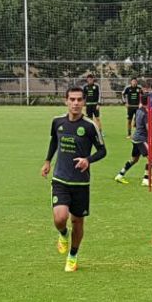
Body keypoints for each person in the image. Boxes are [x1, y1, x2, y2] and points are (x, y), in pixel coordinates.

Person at [41, 87, 107, 272]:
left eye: (79, 99)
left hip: (81, 182)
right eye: (72, 99)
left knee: (77, 221)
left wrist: (88, 160)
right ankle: (63, 234)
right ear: (66, 101)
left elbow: (103, 151)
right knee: (60, 218)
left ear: (84, 102)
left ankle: (73, 255)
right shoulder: (57, 122)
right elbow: (55, 141)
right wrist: (47, 161)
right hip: (60, 179)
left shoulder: (89, 126)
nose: (76, 103)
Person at [113, 98, 152, 186]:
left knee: (134, 159)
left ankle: (120, 175)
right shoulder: (146, 113)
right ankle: (146, 180)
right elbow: (148, 128)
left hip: (135, 138)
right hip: (141, 139)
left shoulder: (138, 110)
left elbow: (134, 124)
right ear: (148, 102)